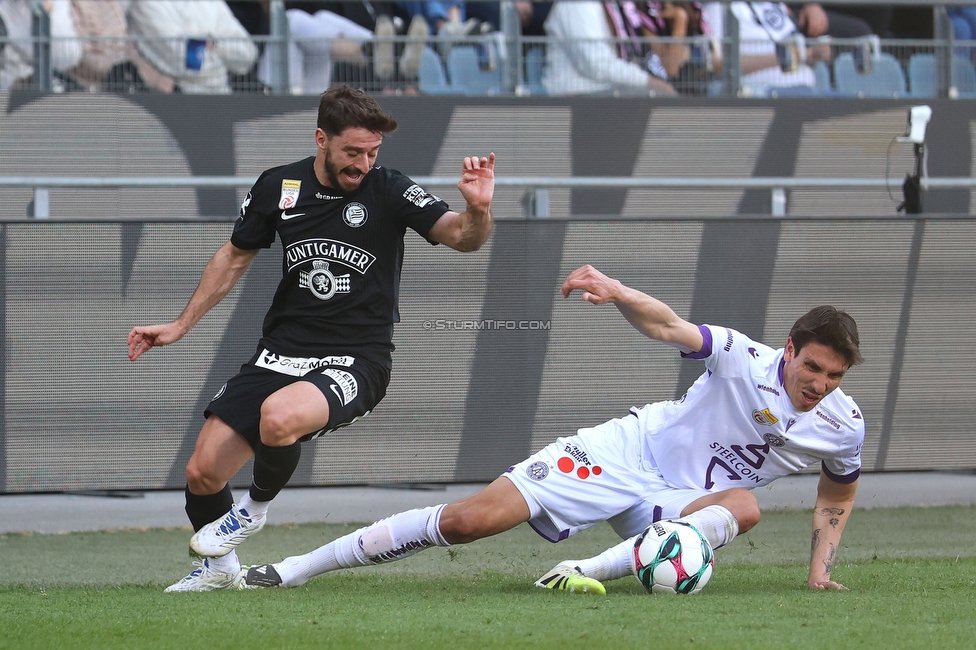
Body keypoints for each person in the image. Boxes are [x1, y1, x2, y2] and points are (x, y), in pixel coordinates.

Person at [236, 264, 865, 594]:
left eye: (834, 376)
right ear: (788, 349)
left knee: (745, 505)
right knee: (469, 520)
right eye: (813, 367)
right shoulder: (741, 356)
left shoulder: (842, 424)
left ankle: (585, 569)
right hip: (626, 453)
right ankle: (294, 568)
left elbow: (837, 493)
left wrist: (818, 571)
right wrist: (617, 291)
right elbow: (671, 327)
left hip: (677, 506)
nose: (820, 385)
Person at [127, 85, 496, 592]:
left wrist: (476, 210)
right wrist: (179, 325)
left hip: (357, 360)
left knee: (279, 419)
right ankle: (220, 574)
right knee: (202, 472)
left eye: (372, 153)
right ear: (322, 139)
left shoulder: (390, 189)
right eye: (352, 152)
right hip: (280, 354)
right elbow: (234, 255)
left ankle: (252, 511)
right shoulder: (278, 187)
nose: (362, 163)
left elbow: (462, 237)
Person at [542, 0, 676, 96]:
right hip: (577, 94)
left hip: (605, 91)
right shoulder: (577, 5)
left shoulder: (611, 6)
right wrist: (648, 81)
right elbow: (596, 65)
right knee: (661, 98)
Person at [125, 0, 259, 93]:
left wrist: (215, 43)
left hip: (223, 103)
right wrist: (224, 58)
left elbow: (249, 54)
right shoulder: (147, 5)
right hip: (172, 105)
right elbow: (187, 65)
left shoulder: (211, 3)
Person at [703, 1, 832, 94]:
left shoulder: (772, 5)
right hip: (764, 93)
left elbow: (798, 53)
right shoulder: (718, 8)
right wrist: (792, 56)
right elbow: (721, 64)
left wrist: (816, 54)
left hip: (806, 89)